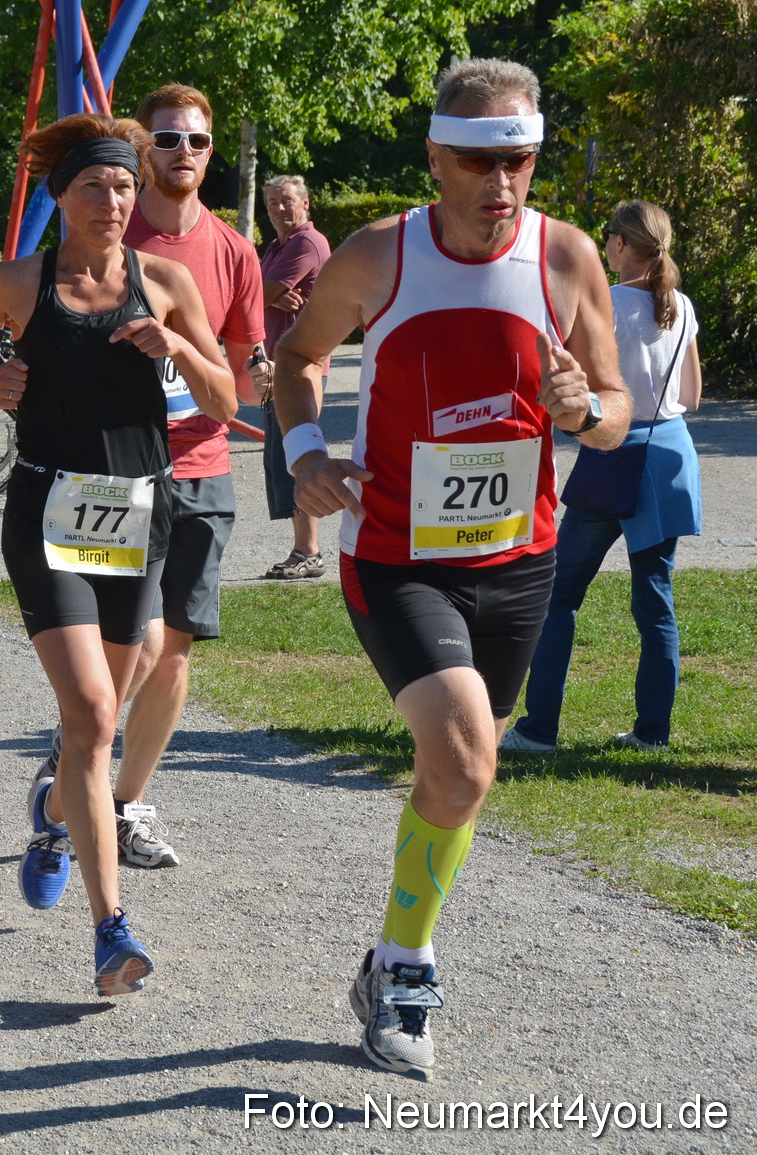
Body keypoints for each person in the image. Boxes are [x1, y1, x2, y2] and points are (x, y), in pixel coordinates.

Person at [271, 58, 631, 1080]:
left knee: (458, 779)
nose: (497, 181)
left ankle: (389, 952)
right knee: (466, 755)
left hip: (520, 560)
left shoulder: (563, 258)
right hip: (395, 555)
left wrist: (582, 412)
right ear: (434, 157)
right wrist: (304, 456)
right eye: (475, 159)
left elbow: (612, 411)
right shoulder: (378, 255)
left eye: (515, 159)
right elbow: (298, 360)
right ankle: (409, 963)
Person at [0, 114, 234, 996]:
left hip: (141, 513)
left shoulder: (167, 281)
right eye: (97, 186)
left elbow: (225, 394)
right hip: (47, 511)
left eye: (126, 186)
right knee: (96, 717)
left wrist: (175, 343)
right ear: (61, 197)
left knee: (93, 721)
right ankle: (111, 930)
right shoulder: (20, 283)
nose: (115, 200)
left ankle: (57, 815)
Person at [54, 83, 266, 873]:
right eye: (168, 140)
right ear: (145, 153)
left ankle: (122, 801)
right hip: (112, 469)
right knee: (130, 647)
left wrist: (225, 364)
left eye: (197, 142)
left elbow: (238, 379)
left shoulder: (234, 251)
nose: (183, 153)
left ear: (212, 155)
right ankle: (75, 754)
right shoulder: (104, 223)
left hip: (203, 464)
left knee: (175, 645)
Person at [503, 201, 702, 755]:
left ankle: (539, 728)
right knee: (654, 600)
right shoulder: (680, 306)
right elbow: (691, 395)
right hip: (670, 455)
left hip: (615, 453)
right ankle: (652, 732)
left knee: (559, 593)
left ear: (618, 245)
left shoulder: (608, 304)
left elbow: (578, 385)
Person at [258, 175, 332, 578]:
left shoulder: (306, 243)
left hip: (302, 368)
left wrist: (264, 290)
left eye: (286, 201)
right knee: (283, 458)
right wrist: (263, 290)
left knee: (299, 454)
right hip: (277, 367)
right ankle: (303, 550)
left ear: (305, 203)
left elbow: (253, 289)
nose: (279, 209)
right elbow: (254, 289)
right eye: (271, 203)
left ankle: (310, 552)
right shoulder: (277, 247)